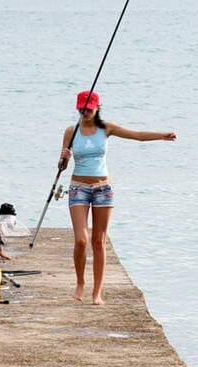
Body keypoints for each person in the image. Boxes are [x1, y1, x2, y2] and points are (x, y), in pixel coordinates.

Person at [59, 90, 176, 305]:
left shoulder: (106, 129)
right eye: (81, 108)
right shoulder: (71, 131)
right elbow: (62, 166)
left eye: (88, 108)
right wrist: (64, 158)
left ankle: (97, 292)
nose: (84, 111)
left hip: (103, 188)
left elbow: (137, 135)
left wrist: (161, 135)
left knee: (99, 241)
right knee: (81, 239)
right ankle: (80, 283)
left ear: (97, 108)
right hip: (78, 188)